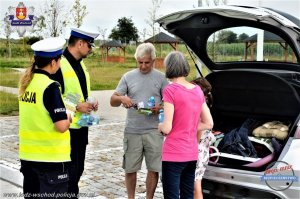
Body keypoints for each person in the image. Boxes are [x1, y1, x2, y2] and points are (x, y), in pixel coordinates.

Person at [110, 42, 168, 199]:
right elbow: (112, 101)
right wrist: (122, 98)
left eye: (147, 62)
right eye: (140, 62)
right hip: (133, 130)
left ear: (154, 60)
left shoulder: (162, 78)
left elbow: (170, 104)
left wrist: (160, 108)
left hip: (154, 131)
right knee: (130, 168)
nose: (143, 66)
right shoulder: (128, 77)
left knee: (154, 169)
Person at [18, 37, 71, 198]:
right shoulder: (50, 87)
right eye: (59, 60)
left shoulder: (27, 83)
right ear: (53, 62)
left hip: (28, 158)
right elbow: (61, 126)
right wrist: (70, 117)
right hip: (51, 161)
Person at [51, 28, 99, 198]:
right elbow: (53, 97)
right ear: (79, 44)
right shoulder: (59, 65)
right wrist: (77, 106)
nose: (91, 49)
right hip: (66, 129)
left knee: (77, 171)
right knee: (67, 175)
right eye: (89, 45)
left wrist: (90, 102)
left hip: (81, 128)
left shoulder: (80, 64)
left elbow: (77, 92)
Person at [158, 51, 213, 199]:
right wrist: (190, 126)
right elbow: (209, 123)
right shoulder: (197, 90)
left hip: (173, 154)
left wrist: (160, 127)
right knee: (188, 195)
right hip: (191, 154)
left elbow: (167, 127)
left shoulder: (170, 90)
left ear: (169, 67)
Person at [194, 129, 215, 199]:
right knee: (197, 185)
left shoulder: (199, 119)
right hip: (203, 151)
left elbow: (200, 128)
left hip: (197, 150)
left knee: (195, 187)